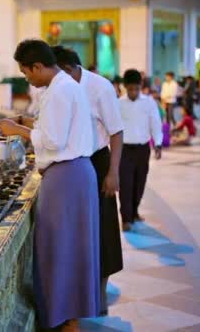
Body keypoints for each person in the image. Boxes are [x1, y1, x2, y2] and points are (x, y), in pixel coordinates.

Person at [0, 39, 99, 331]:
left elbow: (54, 140)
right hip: (74, 174)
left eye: (26, 72)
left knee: (59, 247)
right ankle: (68, 317)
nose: (26, 78)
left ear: (38, 67)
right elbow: (53, 130)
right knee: (69, 246)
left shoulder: (60, 91)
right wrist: (27, 124)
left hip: (67, 177)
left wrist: (18, 130)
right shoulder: (63, 87)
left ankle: (65, 319)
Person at [52, 45, 124, 316]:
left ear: (69, 68)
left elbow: (116, 132)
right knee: (77, 228)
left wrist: (113, 172)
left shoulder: (100, 88)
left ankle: (100, 292)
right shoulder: (58, 86)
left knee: (103, 226)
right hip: (71, 163)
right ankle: (78, 291)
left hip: (97, 161)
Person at [119, 69, 163, 232]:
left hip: (143, 149)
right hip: (125, 150)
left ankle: (134, 211)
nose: (134, 92)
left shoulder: (149, 102)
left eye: (136, 88)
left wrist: (157, 143)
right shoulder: (119, 103)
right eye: (130, 89)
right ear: (125, 87)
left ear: (141, 86)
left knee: (140, 183)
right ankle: (126, 218)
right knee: (126, 184)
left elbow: (155, 123)